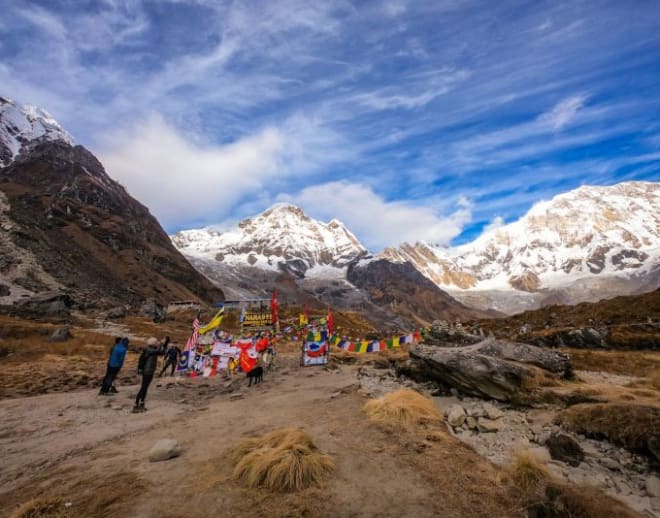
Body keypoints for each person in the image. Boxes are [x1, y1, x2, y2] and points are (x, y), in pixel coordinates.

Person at [133, 336, 169, 413]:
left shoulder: (153, 349)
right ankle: (136, 404)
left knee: (145, 387)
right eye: (156, 342)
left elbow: (162, 352)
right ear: (152, 343)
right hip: (147, 371)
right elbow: (157, 351)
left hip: (150, 371)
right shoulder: (148, 349)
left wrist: (165, 344)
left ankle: (142, 402)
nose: (157, 343)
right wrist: (161, 343)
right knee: (143, 387)